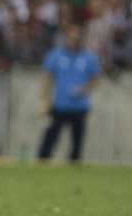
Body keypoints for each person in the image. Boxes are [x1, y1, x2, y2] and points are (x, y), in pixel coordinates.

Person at [38, 23, 99, 163]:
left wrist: (83, 89)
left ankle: (74, 163)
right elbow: (47, 79)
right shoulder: (56, 55)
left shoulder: (88, 57)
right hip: (60, 105)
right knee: (51, 134)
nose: (73, 40)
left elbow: (95, 80)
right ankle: (42, 160)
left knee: (77, 140)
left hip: (79, 106)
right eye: (71, 37)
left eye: (76, 38)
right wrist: (43, 100)